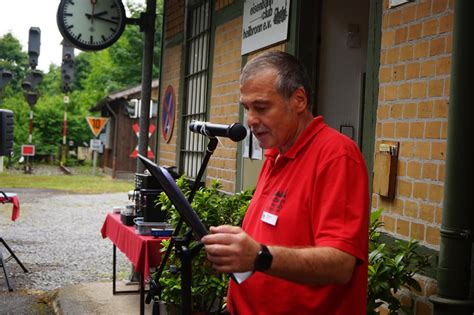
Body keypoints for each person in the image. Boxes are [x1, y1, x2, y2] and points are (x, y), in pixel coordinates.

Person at [201, 51, 369, 314]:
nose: (250, 120)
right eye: (247, 108)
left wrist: (259, 256)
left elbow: (341, 264)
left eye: (262, 107)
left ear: (299, 99)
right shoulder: (275, 154)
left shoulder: (336, 155)